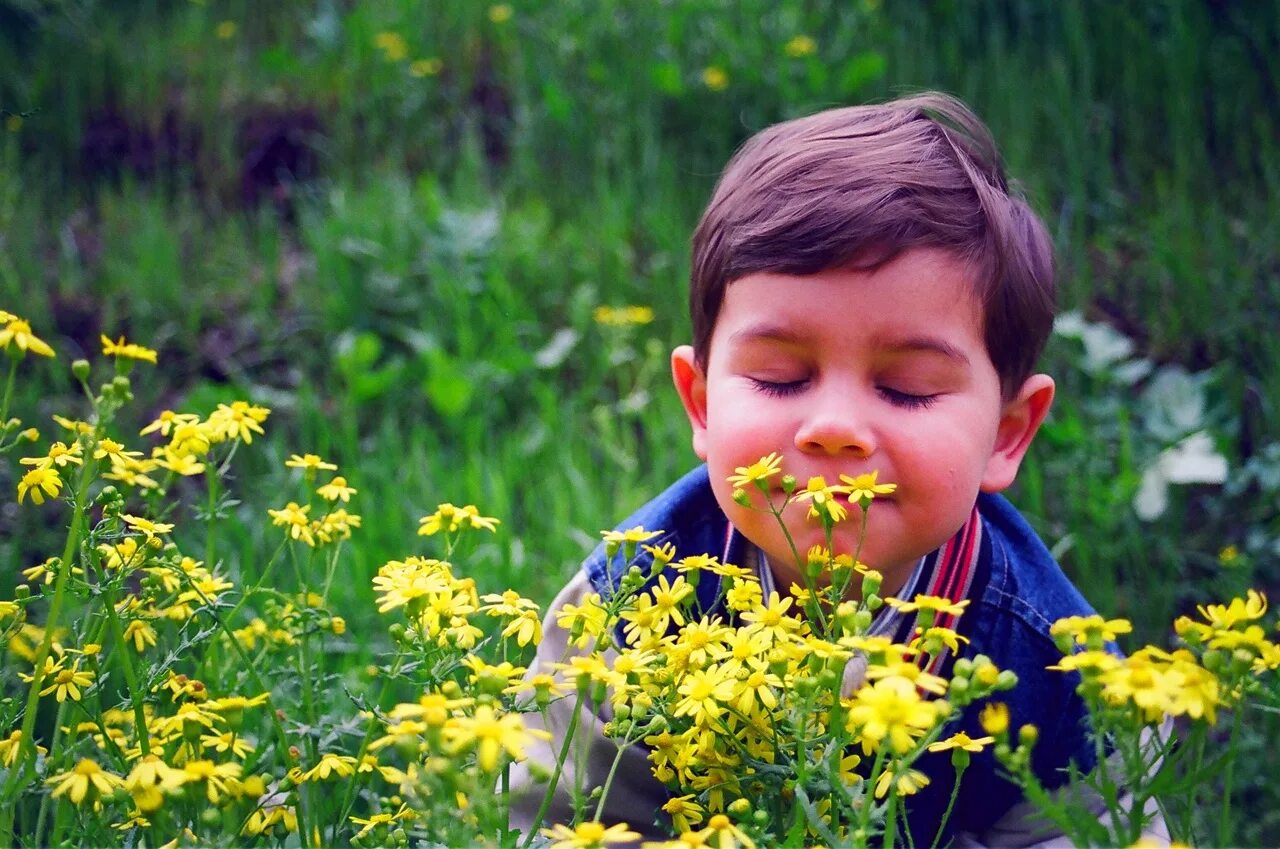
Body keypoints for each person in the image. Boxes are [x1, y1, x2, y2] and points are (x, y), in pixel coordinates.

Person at [509, 92, 1162, 846]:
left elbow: (1105, 830)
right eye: (782, 377)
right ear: (700, 404)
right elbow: (548, 817)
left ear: (1006, 435)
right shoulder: (629, 598)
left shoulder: (1050, 659)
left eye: (905, 388)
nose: (835, 430)